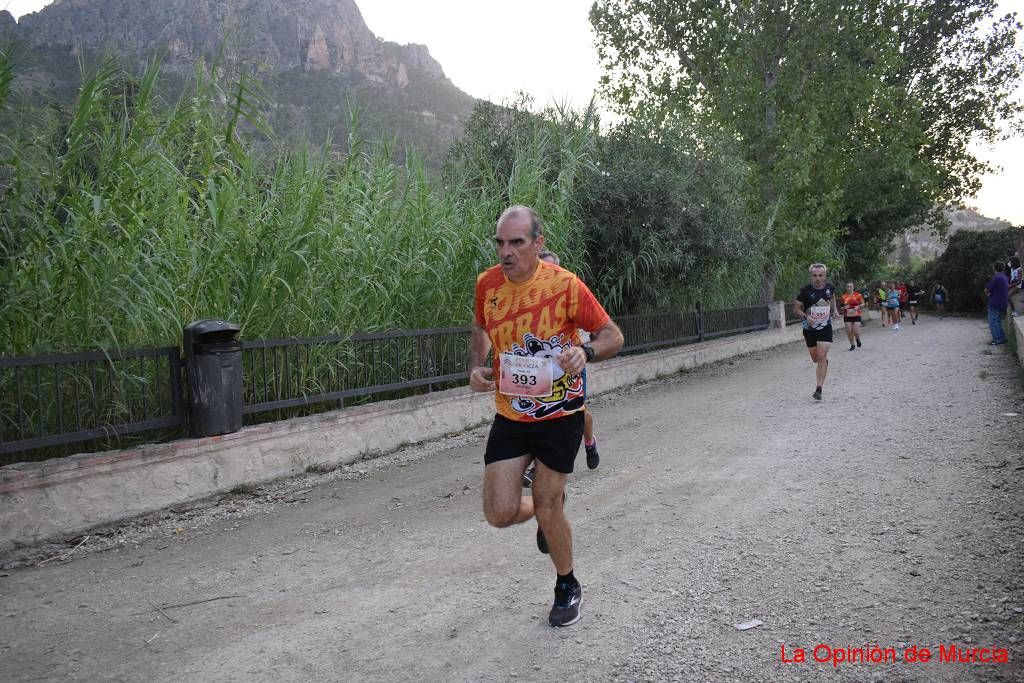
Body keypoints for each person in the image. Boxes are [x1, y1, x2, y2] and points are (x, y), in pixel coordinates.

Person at [469, 205, 624, 627]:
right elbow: (480, 327)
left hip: (560, 412)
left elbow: (614, 335)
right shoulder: (488, 284)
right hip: (511, 413)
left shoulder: (565, 285)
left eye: (516, 242)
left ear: (538, 244)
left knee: (548, 502)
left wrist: (585, 351)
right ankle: (543, 508)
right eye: (500, 242)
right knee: (499, 512)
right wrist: (476, 366)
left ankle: (567, 583)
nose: (506, 251)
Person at [522, 250, 601, 489]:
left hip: (570, 367)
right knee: (540, 412)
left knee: (579, 413)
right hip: (541, 366)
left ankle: (589, 442)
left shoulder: (571, 295)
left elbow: (596, 324)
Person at [794, 263, 841, 400]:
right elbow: (796, 308)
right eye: (815, 275)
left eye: (820, 275)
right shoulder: (805, 291)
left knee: (821, 356)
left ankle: (819, 389)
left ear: (825, 276)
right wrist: (805, 316)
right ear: (811, 276)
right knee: (816, 358)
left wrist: (835, 311)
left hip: (825, 327)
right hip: (810, 329)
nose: (818, 278)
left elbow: (832, 297)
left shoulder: (829, 288)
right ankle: (823, 362)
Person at [985, 260, 1009, 345]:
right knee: (998, 320)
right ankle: (1002, 338)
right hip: (1003, 302)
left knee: (993, 321)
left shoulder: (996, 278)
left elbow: (987, 289)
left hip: (994, 302)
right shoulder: (1005, 277)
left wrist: (988, 293)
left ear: (994, 268)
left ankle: (997, 339)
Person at [839, 282, 865, 350]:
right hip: (847, 315)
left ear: (853, 287)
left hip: (856, 314)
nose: (849, 288)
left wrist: (858, 306)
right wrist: (844, 307)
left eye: (850, 286)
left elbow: (863, 304)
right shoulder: (843, 297)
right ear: (846, 288)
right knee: (849, 331)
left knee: (856, 331)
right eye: (848, 286)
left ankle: (857, 338)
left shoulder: (858, 295)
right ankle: (852, 345)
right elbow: (841, 307)